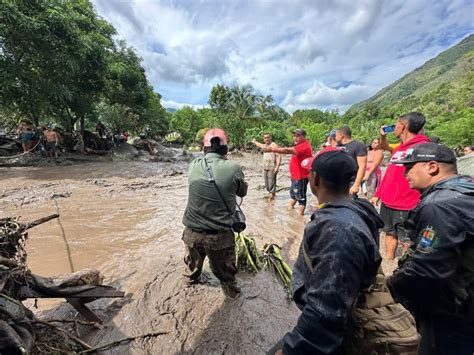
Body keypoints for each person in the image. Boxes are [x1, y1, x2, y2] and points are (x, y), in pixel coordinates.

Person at [270, 147, 383, 354]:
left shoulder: (337, 229)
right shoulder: (354, 208)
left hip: (339, 332)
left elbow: (327, 310)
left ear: (316, 180)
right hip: (348, 313)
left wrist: (293, 349)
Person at [386, 143, 474, 355]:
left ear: (432, 167)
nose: (405, 174)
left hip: (457, 309)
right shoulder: (465, 187)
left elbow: (427, 268)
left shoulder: (439, 205)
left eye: (409, 168)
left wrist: (388, 289)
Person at [182, 128, 248, 298]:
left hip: (191, 233)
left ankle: (190, 284)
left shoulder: (194, 165)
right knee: (227, 277)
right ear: (225, 149)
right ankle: (233, 299)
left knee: (192, 269)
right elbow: (242, 192)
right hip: (219, 237)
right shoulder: (233, 168)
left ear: (204, 149)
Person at [371, 112, 430, 260]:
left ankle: (406, 270)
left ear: (403, 126)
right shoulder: (400, 148)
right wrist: (378, 194)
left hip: (407, 204)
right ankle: (389, 263)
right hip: (388, 201)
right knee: (389, 232)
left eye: (396, 124)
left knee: (407, 241)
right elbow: (390, 173)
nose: (395, 127)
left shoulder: (423, 147)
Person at [264, 129, 312, 215]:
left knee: (301, 198)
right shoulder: (299, 145)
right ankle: (290, 214)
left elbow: (287, 150)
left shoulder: (304, 146)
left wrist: (273, 149)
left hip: (300, 177)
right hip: (295, 177)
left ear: (304, 137)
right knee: (293, 196)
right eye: (294, 135)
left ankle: (299, 218)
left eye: (297, 136)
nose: (295, 138)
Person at [335, 125, 367, 196]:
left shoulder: (358, 146)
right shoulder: (337, 146)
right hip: (337, 182)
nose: (335, 137)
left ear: (341, 135)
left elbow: (362, 166)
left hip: (350, 182)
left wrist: (356, 185)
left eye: (336, 135)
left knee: (348, 204)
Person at [252, 133, 281, 202]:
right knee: (267, 186)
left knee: (271, 187)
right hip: (265, 168)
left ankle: (270, 204)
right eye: (265, 138)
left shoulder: (274, 145)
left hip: (272, 168)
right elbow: (259, 145)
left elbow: (278, 156)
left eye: (268, 137)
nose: (266, 139)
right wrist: (254, 141)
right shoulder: (264, 145)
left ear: (270, 138)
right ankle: (272, 198)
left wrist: (277, 167)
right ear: (263, 139)